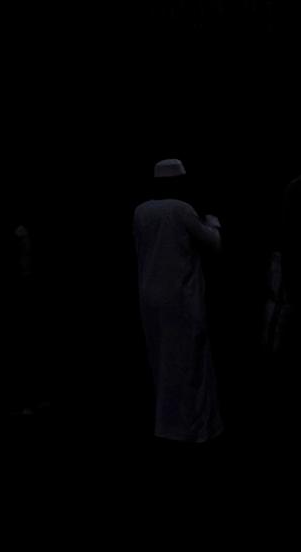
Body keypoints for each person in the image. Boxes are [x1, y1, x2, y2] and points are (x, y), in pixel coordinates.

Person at [134, 158, 223, 444]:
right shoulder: (181, 209)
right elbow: (213, 243)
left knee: (161, 362)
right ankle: (191, 428)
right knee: (189, 363)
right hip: (181, 298)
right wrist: (213, 222)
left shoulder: (141, 211)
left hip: (150, 297)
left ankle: (166, 425)